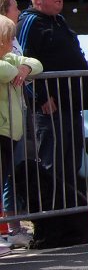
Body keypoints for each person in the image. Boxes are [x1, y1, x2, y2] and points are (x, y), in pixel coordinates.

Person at [16, 0, 88, 195]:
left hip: (70, 105)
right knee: (52, 166)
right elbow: (23, 63)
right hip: (50, 108)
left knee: (71, 163)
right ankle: (51, 218)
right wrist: (40, 98)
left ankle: (68, 215)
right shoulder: (29, 22)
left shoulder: (60, 21)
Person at [0, 16, 41, 254]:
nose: (12, 42)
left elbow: (36, 63)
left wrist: (25, 67)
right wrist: (19, 67)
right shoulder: (7, 61)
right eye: (8, 38)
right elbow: (6, 71)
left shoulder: (9, 57)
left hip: (8, 134)